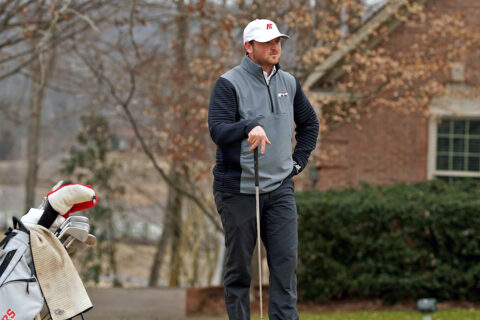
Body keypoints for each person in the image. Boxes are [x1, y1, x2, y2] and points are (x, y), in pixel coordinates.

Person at [208, 18, 319, 320]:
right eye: (267, 42)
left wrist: (298, 162)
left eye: (278, 42)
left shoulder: (289, 83)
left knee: (285, 265)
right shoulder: (228, 83)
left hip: (280, 188)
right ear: (248, 47)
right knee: (240, 268)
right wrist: (248, 127)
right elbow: (218, 130)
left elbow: (310, 124)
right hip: (239, 190)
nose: (274, 47)